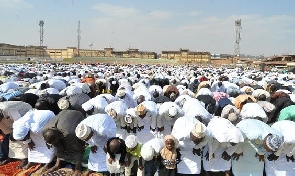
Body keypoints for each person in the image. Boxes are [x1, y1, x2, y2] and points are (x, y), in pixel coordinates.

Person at [42, 110, 85, 175]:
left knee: (76, 146)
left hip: (76, 116)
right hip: (63, 114)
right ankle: (57, 164)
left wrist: (78, 166)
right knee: (57, 145)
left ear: (59, 136)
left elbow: (78, 148)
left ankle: (78, 167)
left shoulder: (68, 133)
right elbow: (52, 142)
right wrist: (48, 143)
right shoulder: (44, 130)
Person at [0, 101, 32, 167]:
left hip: (23, 112)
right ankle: (11, 156)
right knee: (9, 136)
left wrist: (27, 141)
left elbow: (20, 124)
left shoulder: (8, 109)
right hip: (8, 117)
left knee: (19, 133)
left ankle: (24, 158)